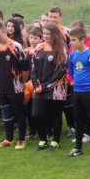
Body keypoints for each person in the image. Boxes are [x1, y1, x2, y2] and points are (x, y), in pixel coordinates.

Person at [0, 22, 29, 149]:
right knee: (6, 114)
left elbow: (25, 67)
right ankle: (9, 138)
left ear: (5, 31)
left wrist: (23, 82)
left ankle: (21, 139)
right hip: (1, 87)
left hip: (16, 87)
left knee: (18, 113)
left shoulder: (16, 46)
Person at [30, 22, 68, 151]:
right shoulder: (39, 47)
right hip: (39, 88)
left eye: (48, 34)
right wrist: (36, 84)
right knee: (36, 114)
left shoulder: (61, 49)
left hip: (56, 89)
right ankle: (43, 140)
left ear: (55, 34)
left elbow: (61, 71)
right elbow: (33, 68)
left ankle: (55, 142)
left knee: (55, 115)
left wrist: (46, 86)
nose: (45, 36)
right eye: (44, 33)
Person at [67, 27, 90, 158]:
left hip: (89, 92)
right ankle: (78, 148)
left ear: (83, 40)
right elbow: (70, 70)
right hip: (77, 91)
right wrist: (74, 81)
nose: (71, 43)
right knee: (78, 120)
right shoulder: (73, 54)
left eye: (74, 40)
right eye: (71, 40)